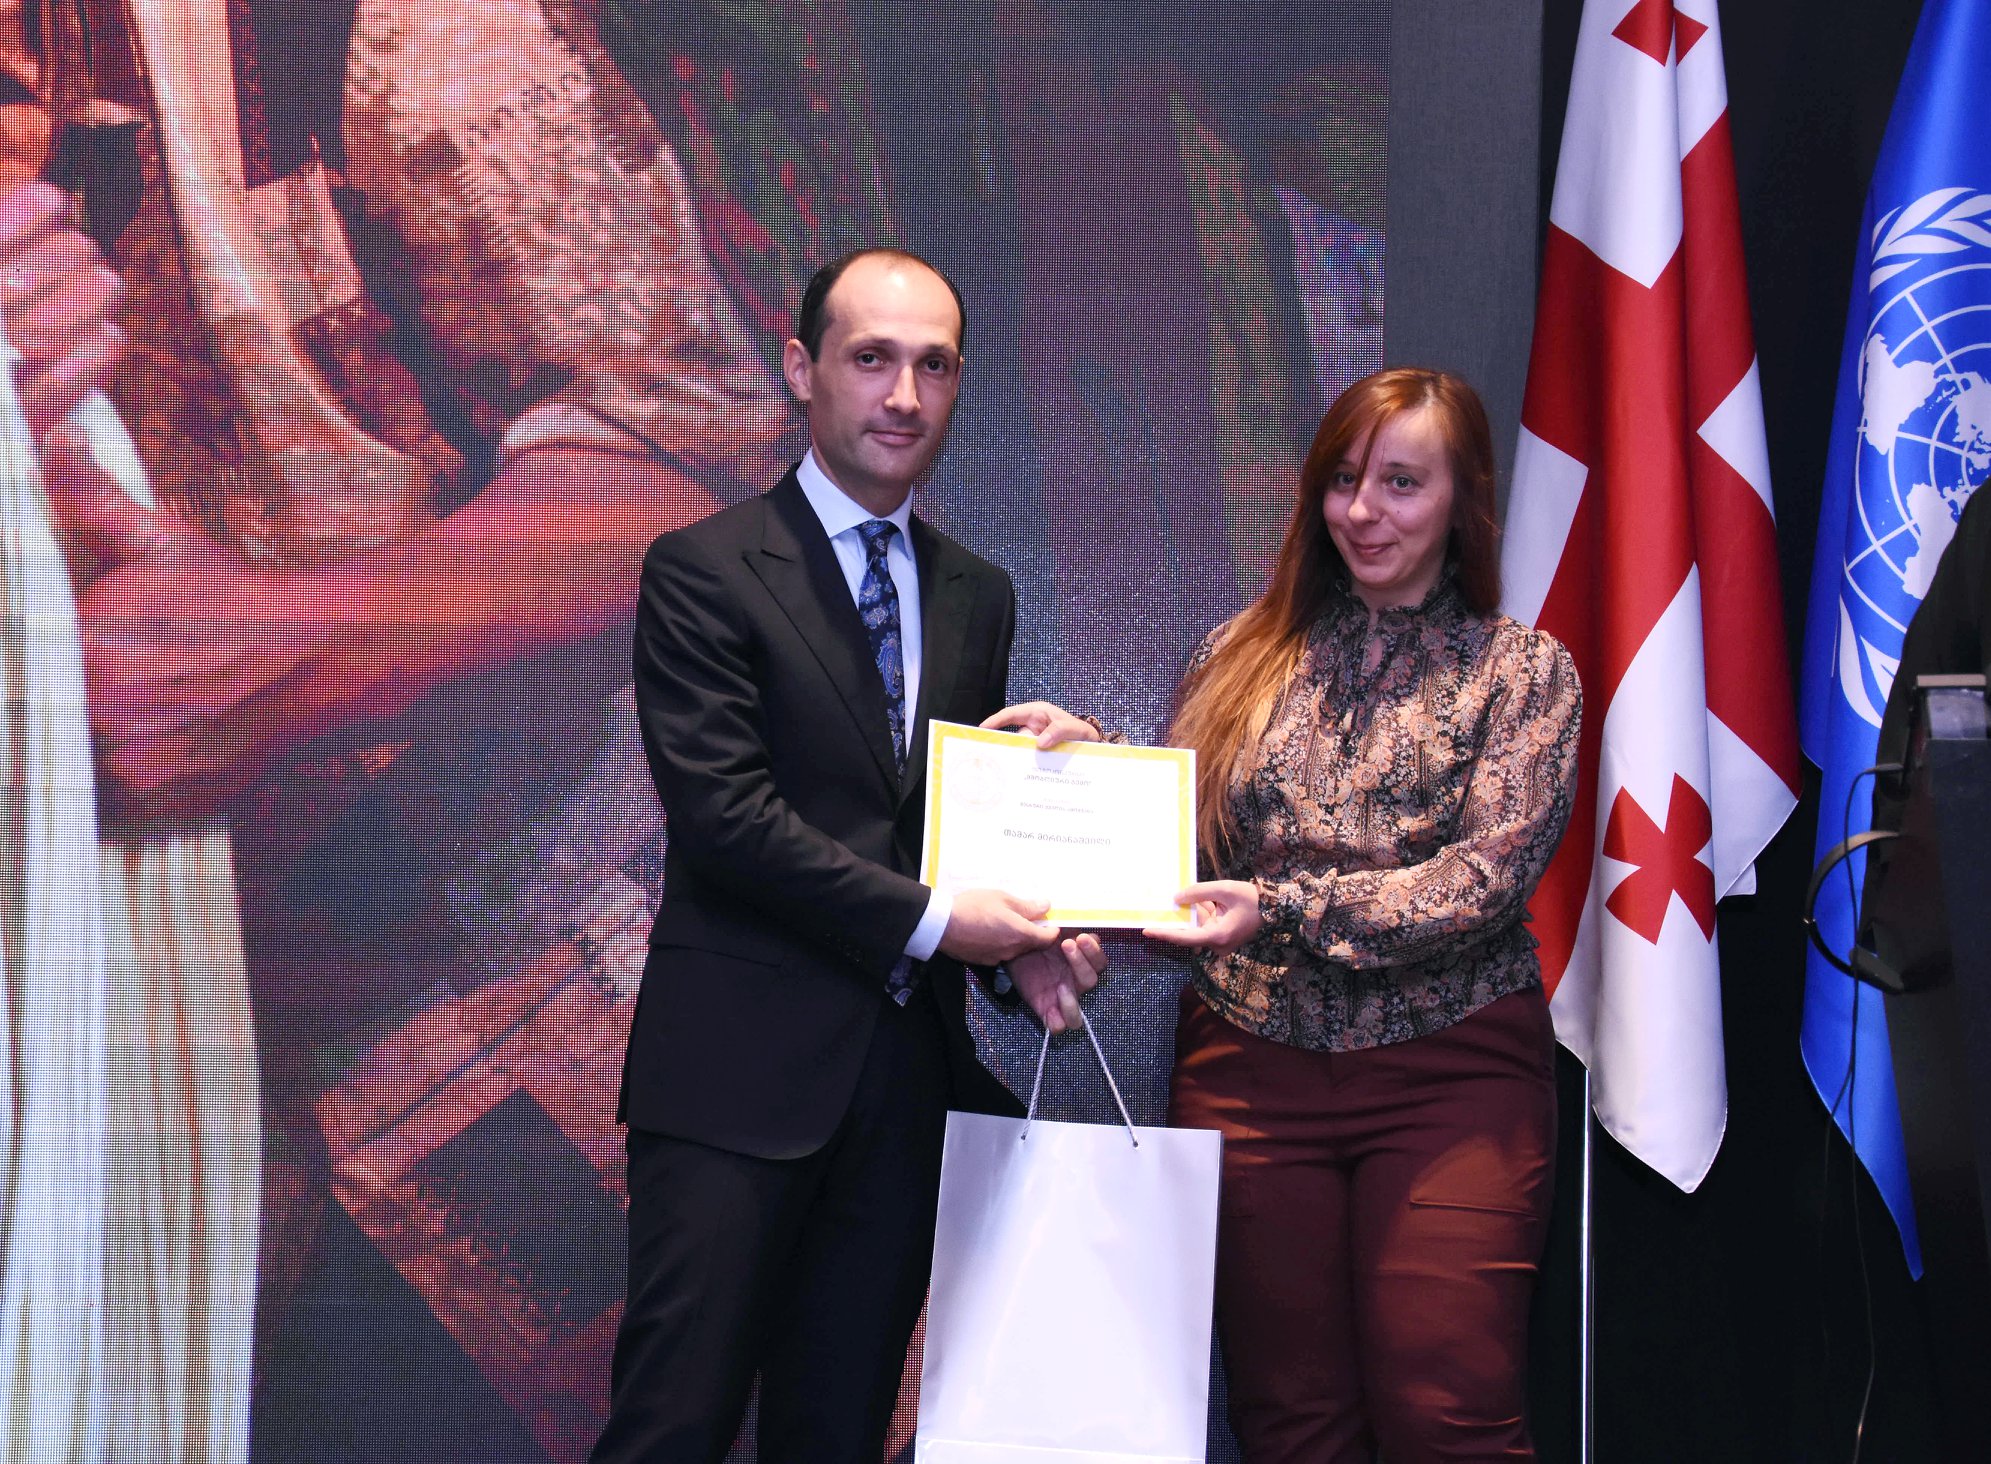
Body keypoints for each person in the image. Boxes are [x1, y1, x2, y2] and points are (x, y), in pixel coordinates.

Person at [597, 246, 1108, 1463]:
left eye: (934, 366)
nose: (903, 396)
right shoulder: (703, 567)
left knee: (837, 1438)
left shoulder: (976, 594)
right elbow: (727, 822)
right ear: (800, 369)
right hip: (732, 1087)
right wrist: (943, 921)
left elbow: (930, 834)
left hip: (903, 1092)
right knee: (671, 1430)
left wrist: (1028, 913)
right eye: (871, 358)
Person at [1146, 366, 1581, 1463]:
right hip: (1246, 1071)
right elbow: (1172, 843)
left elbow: (1480, 882)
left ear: (1462, 499)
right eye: (1342, 480)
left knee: (1447, 1418)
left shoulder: (1523, 675)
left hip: (1451, 1078)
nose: (1361, 511)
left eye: (1400, 482)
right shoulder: (1236, 655)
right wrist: (1074, 765)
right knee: (1289, 1425)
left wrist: (1281, 907)